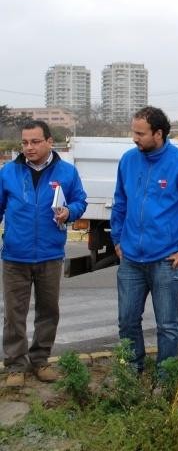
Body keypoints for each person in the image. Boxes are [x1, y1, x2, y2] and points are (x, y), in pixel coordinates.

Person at [110, 106, 178, 372]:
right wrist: (118, 239)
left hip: (166, 260)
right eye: (133, 132)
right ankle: (131, 372)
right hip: (130, 258)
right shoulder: (128, 161)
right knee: (127, 321)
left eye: (140, 133)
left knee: (167, 325)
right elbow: (120, 203)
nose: (134, 138)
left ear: (159, 133)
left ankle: (166, 377)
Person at [0, 120, 87, 387]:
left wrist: (69, 212)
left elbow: (80, 201)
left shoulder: (67, 172)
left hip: (50, 254)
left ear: (50, 141)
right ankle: (15, 365)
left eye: (35, 142)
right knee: (14, 314)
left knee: (49, 311)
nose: (29, 147)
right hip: (15, 255)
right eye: (25, 142)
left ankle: (40, 360)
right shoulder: (8, 173)